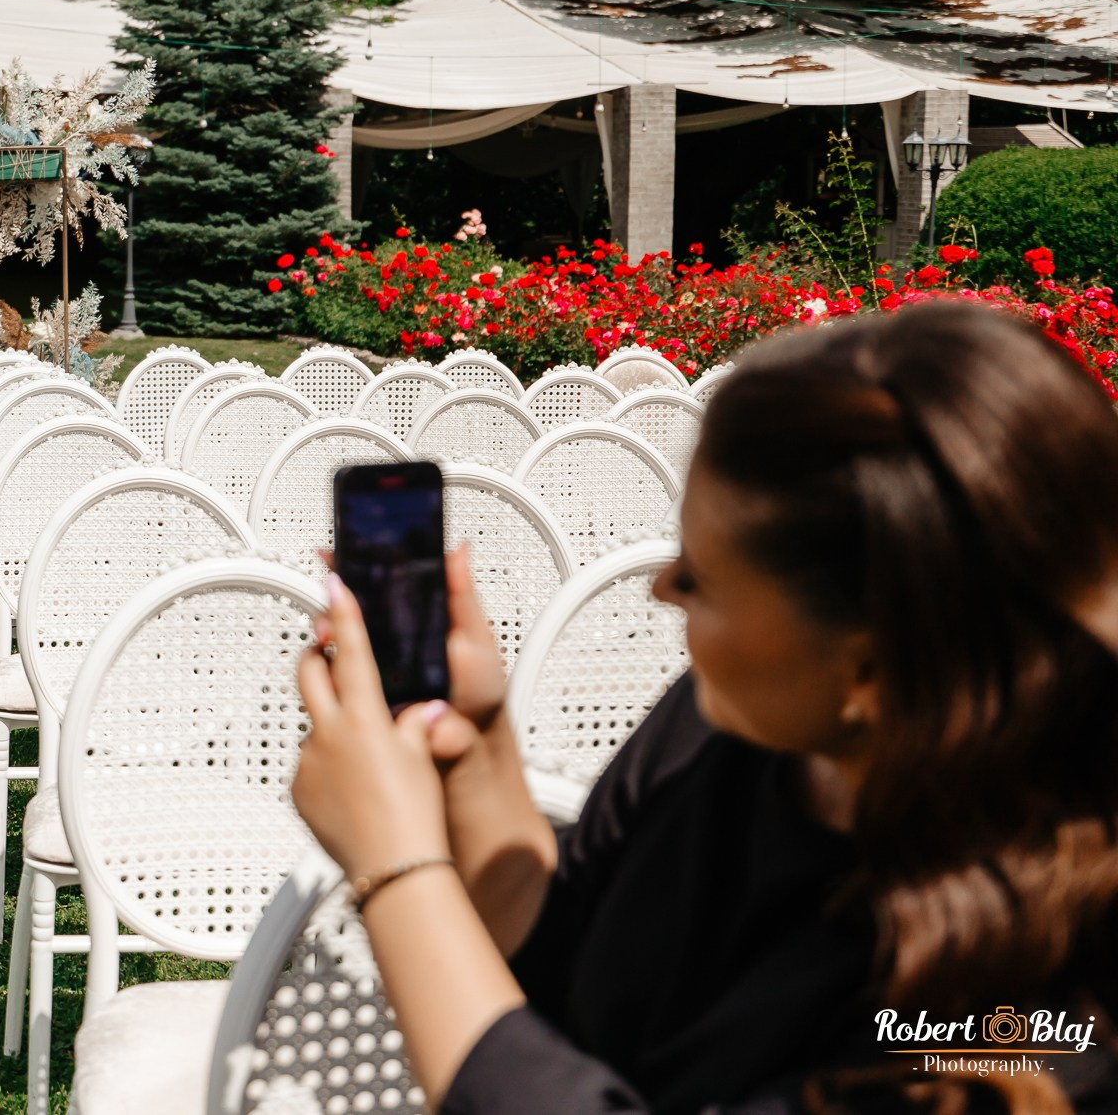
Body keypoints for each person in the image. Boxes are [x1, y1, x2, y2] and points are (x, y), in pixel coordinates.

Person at [292, 301, 1118, 1113]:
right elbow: (560, 955)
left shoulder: (1039, 1016)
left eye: (704, 577)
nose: (663, 588)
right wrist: (475, 755)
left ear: (868, 666)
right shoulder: (720, 730)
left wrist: (397, 868)